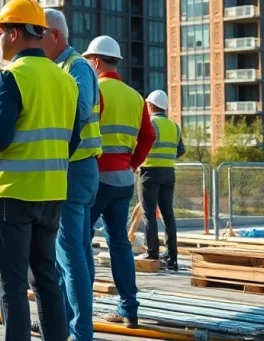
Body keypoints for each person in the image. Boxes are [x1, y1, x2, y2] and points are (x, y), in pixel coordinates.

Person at [0, 0, 78, 341]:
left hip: (13, 193)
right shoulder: (65, 79)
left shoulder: (10, 76)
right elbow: (71, 141)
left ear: (14, 33)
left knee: (10, 281)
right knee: (46, 279)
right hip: (52, 193)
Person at [83, 36, 155, 327]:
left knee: (78, 243)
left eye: (89, 60)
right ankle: (129, 309)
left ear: (96, 61)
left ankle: (77, 310)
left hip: (95, 179)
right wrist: (132, 164)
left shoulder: (93, 90)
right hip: (124, 179)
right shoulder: (135, 96)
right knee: (119, 245)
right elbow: (149, 136)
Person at [42, 9, 101, 341]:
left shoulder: (76, 66)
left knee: (69, 253)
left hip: (75, 168)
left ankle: (80, 331)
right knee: (76, 250)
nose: (34, 41)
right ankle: (71, 324)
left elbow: (76, 111)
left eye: (39, 34)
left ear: (56, 35)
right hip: (80, 168)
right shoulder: (67, 66)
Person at [140, 90, 184, 271]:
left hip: (149, 172)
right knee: (168, 214)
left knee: (149, 214)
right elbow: (180, 150)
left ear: (150, 105)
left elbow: (140, 144)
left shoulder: (149, 123)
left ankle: (152, 252)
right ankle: (172, 256)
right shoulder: (174, 126)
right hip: (168, 173)